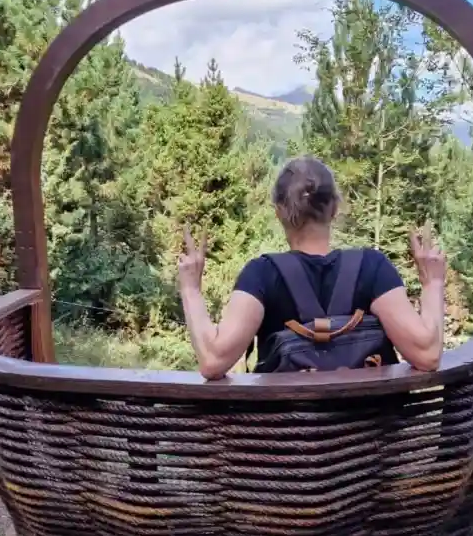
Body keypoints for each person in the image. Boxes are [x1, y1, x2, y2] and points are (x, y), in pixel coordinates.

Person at [177, 155, 447, 381]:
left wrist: (190, 289)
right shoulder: (373, 267)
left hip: (286, 442)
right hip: (369, 440)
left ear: (279, 213)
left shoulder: (261, 274)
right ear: (334, 209)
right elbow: (427, 355)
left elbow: (213, 361)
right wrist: (433, 284)